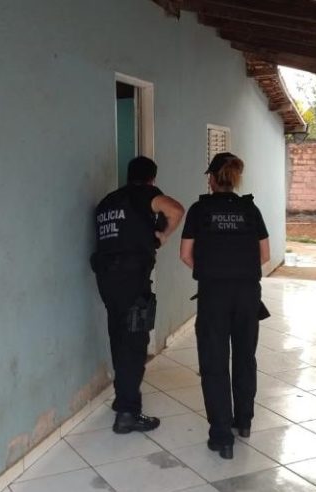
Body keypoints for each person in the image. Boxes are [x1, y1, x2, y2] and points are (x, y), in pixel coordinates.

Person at [180, 152, 270, 459]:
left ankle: (221, 437)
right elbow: (265, 254)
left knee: (214, 362)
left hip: (213, 295)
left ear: (211, 179)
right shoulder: (250, 209)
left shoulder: (199, 210)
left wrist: (210, 271)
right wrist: (239, 271)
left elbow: (185, 254)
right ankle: (243, 422)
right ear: (235, 179)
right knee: (245, 357)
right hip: (247, 294)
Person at [92, 156, 184, 434]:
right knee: (135, 342)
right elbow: (176, 210)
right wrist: (163, 236)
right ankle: (128, 413)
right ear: (151, 180)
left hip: (107, 280)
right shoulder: (144, 194)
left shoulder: (107, 202)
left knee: (119, 336)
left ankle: (123, 398)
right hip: (132, 279)